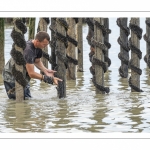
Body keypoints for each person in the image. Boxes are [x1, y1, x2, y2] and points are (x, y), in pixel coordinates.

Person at [2, 31, 62, 100]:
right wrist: (49, 79)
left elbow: (37, 61)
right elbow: (32, 74)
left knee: (27, 98)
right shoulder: (28, 51)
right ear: (37, 41)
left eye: (46, 45)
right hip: (11, 74)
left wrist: (45, 70)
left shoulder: (38, 48)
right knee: (16, 99)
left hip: (24, 74)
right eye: (44, 45)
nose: (45, 47)